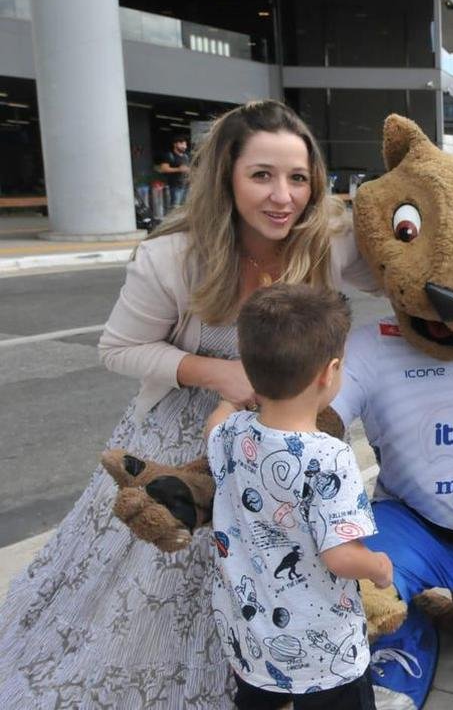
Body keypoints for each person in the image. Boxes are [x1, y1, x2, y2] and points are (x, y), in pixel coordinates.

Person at [0, 99, 378, 708]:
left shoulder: (328, 243)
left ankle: (291, 672)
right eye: (262, 175)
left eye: (298, 178)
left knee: (292, 569)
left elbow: (402, 271)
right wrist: (220, 373)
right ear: (227, 175)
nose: (283, 196)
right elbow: (118, 348)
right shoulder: (171, 258)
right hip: (182, 443)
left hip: (285, 440)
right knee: (173, 575)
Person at [206, 284, 390, 709]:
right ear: (330, 372)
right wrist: (380, 568)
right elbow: (341, 557)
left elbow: (216, 422)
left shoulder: (233, 434)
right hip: (324, 656)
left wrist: (229, 399)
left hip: (252, 642)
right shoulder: (329, 457)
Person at [157, 133, 192, 209]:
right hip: (175, 186)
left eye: (185, 145)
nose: (184, 147)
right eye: (182, 144)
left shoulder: (186, 156)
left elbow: (187, 168)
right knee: (175, 208)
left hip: (186, 186)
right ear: (175, 144)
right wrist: (178, 169)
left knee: (185, 208)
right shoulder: (169, 155)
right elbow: (163, 169)